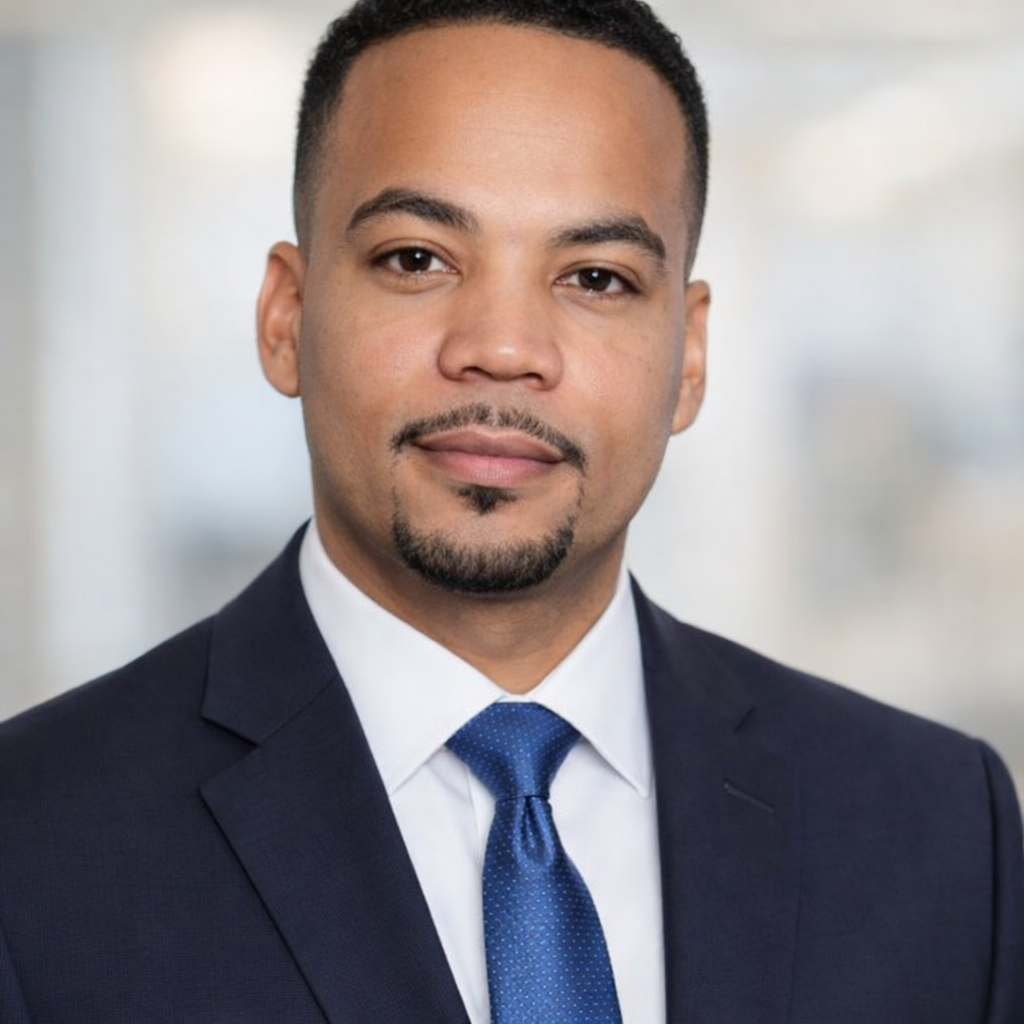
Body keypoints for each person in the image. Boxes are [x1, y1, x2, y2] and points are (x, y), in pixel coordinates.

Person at [0, 0, 1021, 1021]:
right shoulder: (33, 840)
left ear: (689, 355)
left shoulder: (940, 831)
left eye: (594, 276)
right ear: (286, 315)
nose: (501, 344)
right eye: (416, 259)